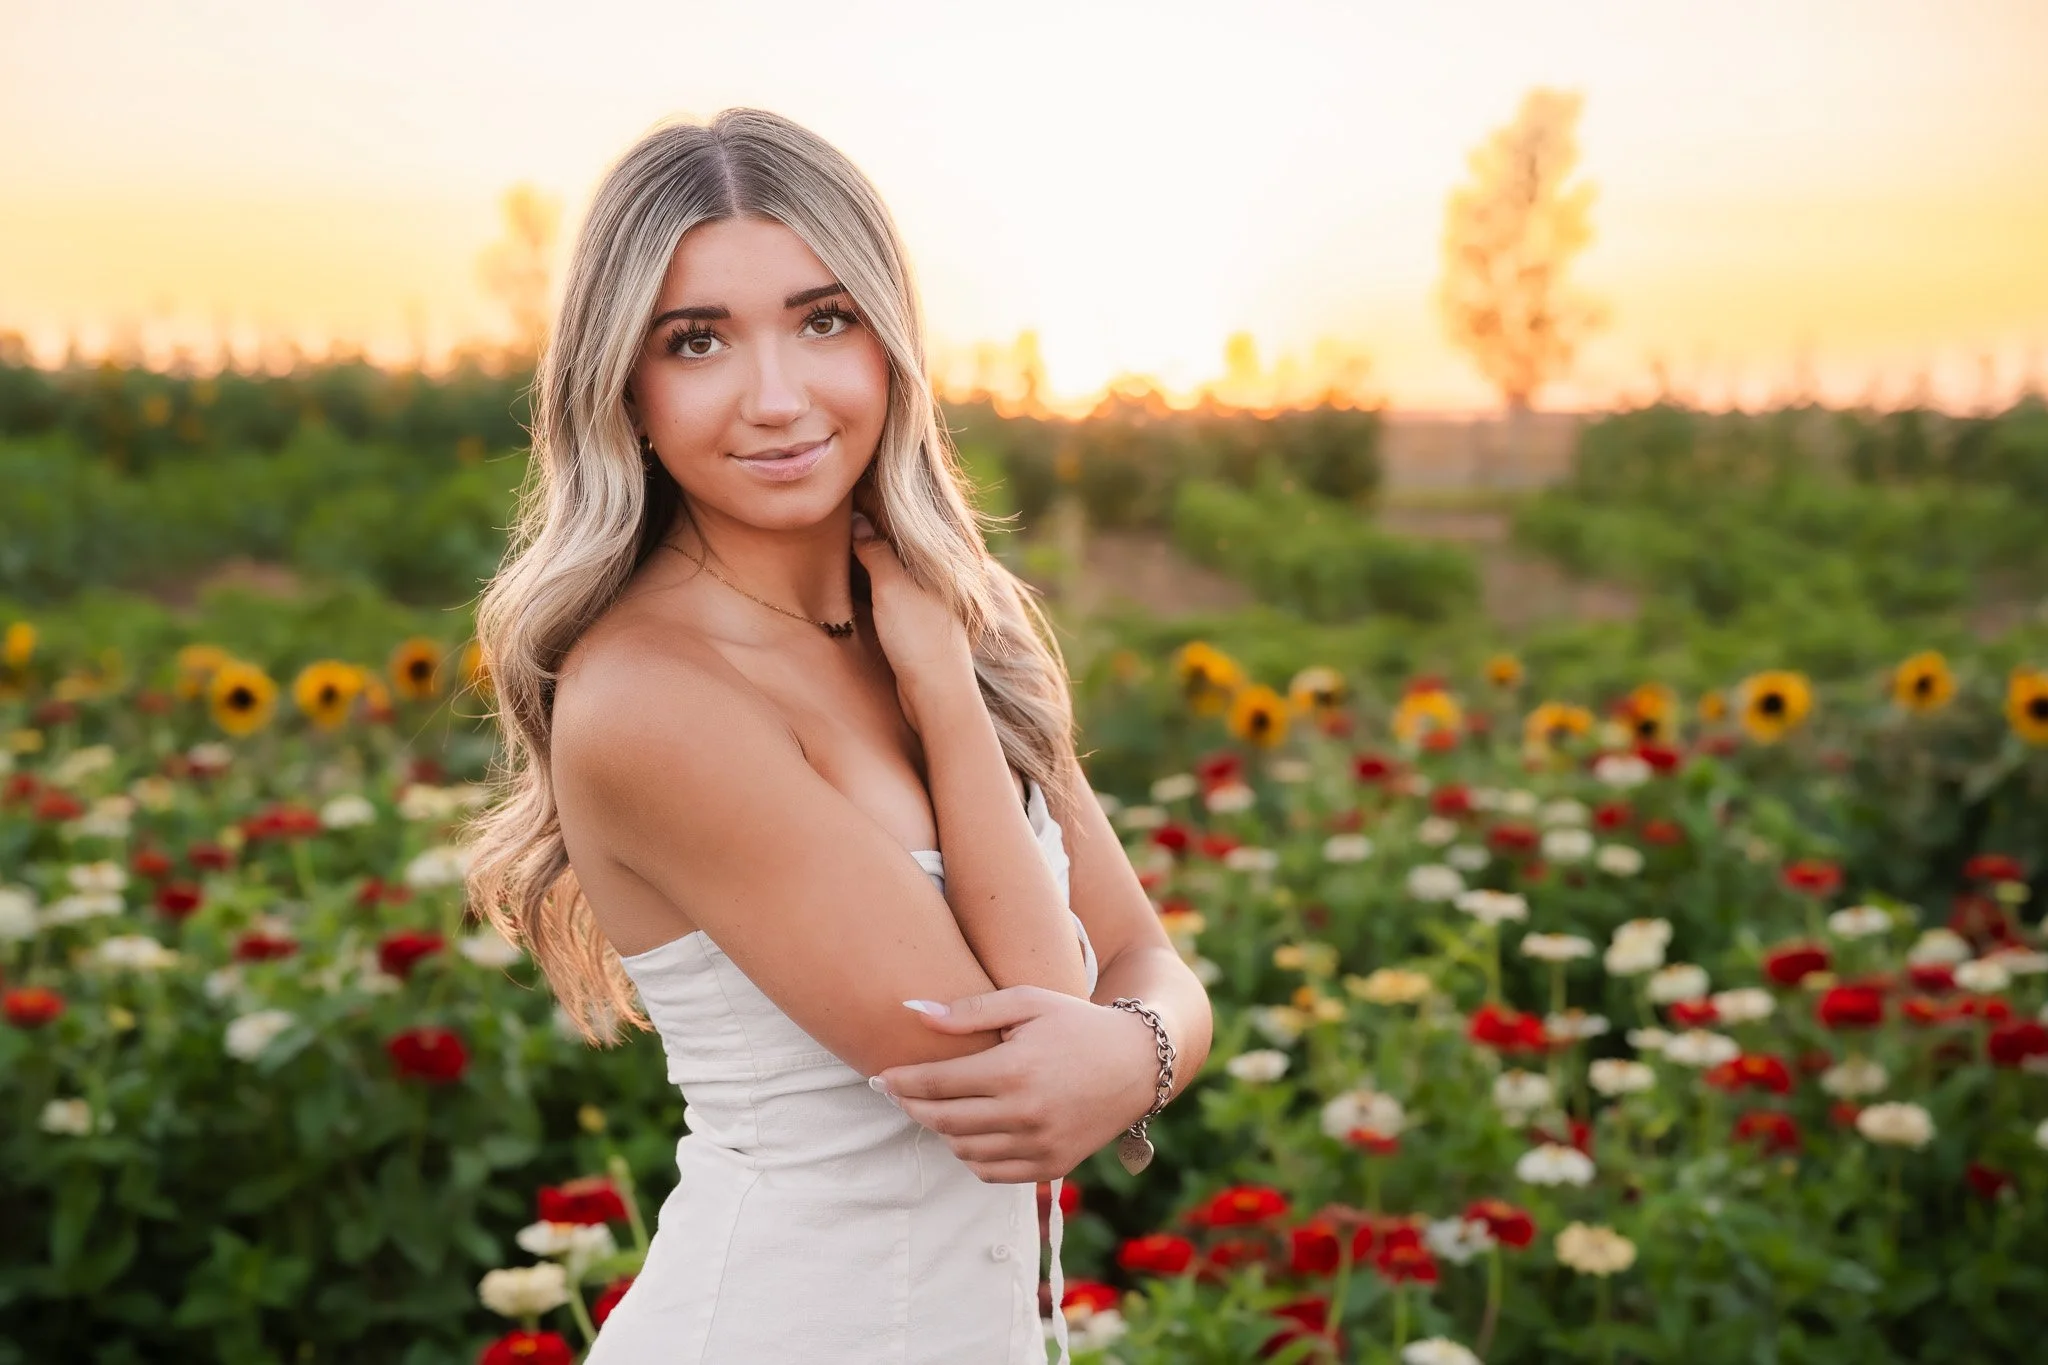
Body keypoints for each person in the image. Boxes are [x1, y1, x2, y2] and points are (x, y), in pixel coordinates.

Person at [460, 108, 1213, 1364]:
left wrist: (1133, 1054)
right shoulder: (654, 697)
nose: (776, 397)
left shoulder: (955, 617)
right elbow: (1024, 1051)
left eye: (824, 321)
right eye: (695, 342)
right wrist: (946, 701)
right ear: (626, 391)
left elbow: (1150, 966)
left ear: (889, 344)